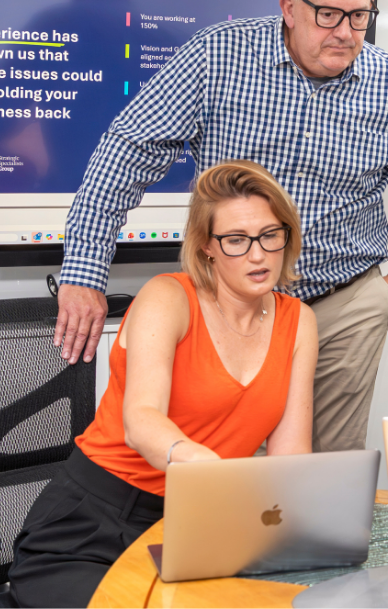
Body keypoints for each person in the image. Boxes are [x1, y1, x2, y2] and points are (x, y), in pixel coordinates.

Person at [54, 0, 388, 453]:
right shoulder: (218, 57)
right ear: (289, 8)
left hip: (343, 303)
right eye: (328, 13)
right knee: (220, 464)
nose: (345, 32)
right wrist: (84, 271)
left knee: (320, 475)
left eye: (359, 16)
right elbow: (125, 154)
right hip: (232, 303)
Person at [8, 161, 318, 609]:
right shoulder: (169, 296)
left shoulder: (298, 321)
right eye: (236, 240)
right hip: (94, 524)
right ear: (207, 247)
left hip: (200, 529)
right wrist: (192, 457)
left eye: (271, 235)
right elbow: (141, 421)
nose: (258, 254)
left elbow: (289, 460)